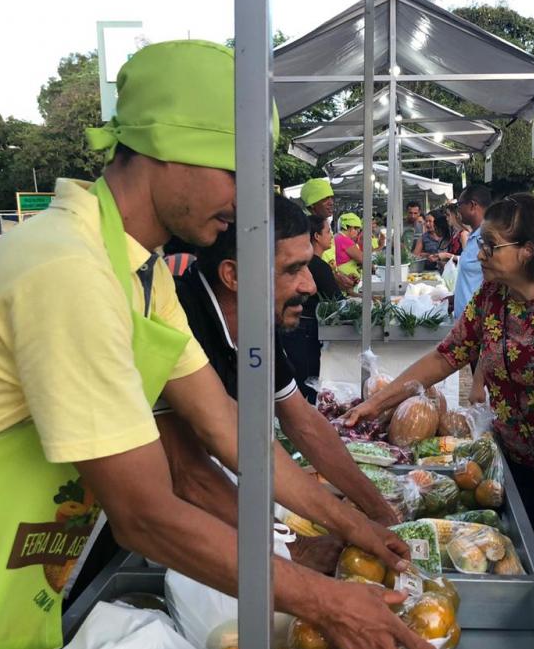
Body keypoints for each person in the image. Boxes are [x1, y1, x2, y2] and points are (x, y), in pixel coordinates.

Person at [0, 41, 432, 649]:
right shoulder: (67, 270)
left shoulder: (141, 273)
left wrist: (354, 524)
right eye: (237, 172)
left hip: (9, 605)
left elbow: (231, 432)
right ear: (168, 149)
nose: (247, 202)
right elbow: (146, 514)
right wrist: (324, 601)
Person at [165, 198, 398, 541]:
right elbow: (191, 474)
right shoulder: (177, 322)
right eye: (292, 270)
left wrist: (380, 513)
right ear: (234, 275)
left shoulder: (256, 317)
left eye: (308, 266)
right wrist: (295, 548)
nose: (310, 286)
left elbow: (302, 422)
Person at [345, 194, 534, 535]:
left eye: (491, 246)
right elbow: (445, 356)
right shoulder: (491, 297)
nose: (480, 254)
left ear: (527, 250)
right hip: (509, 459)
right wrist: (376, 403)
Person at [282, 213, 344, 403]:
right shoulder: (320, 266)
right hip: (307, 330)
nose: (332, 236)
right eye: (328, 231)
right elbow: (337, 300)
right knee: (307, 383)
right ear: (316, 236)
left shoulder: (315, 265)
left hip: (299, 330)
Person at [452, 184, 491, 318]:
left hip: (476, 322)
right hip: (464, 321)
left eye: (459, 205)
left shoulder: (487, 238)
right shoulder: (473, 236)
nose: (458, 210)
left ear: (472, 205)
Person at [334, 211, 364, 280]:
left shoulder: (337, 237)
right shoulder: (345, 240)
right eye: (357, 229)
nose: (358, 232)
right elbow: (363, 259)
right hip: (347, 280)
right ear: (350, 228)